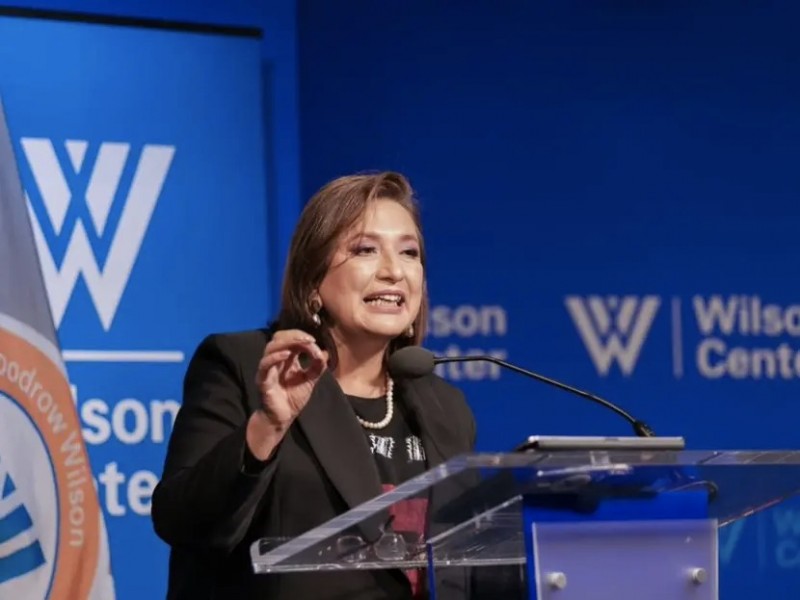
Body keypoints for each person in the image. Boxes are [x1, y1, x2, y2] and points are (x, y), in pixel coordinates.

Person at [151, 171, 478, 599]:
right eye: (365, 249)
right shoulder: (246, 365)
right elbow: (182, 522)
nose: (394, 271)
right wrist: (267, 425)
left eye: (409, 252)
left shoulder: (445, 407)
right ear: (313, 282)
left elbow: (470, 560)